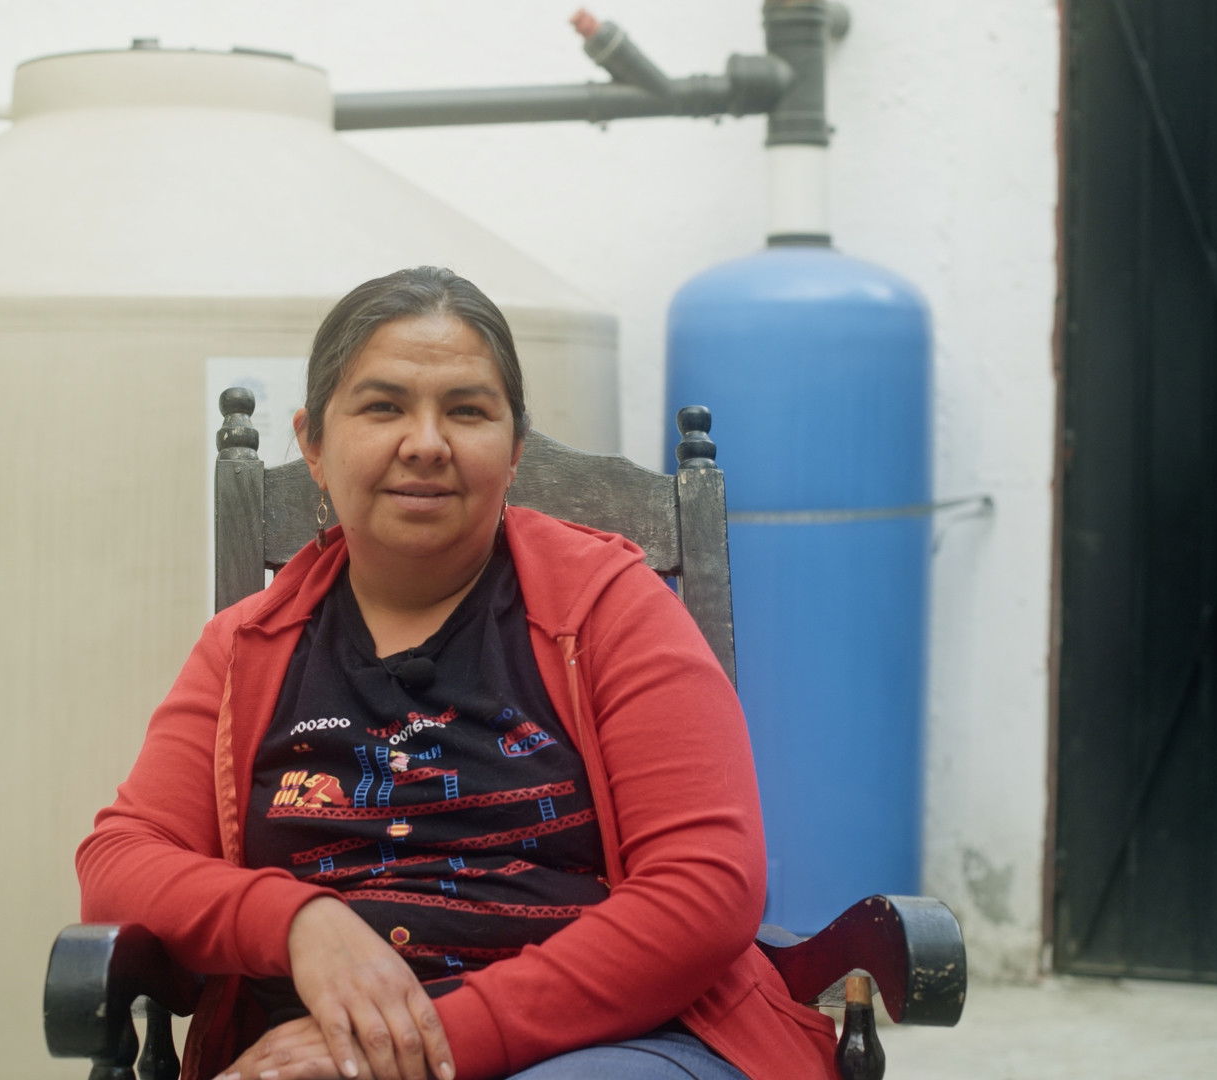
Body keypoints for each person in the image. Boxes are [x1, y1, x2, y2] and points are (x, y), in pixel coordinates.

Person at [76, 267, 837, 1080]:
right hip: (314, 1054)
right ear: (314, 446)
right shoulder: (249, 647)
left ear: (514, 452)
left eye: (467, 411)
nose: (427, 443)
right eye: (383, 407)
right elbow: (118, 864)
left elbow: (703, 891)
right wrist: (300, 923)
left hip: (609, 1045)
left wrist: (430, 1043)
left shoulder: (608, 611)